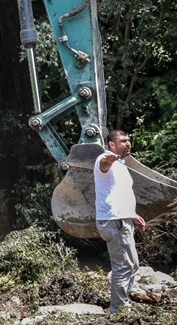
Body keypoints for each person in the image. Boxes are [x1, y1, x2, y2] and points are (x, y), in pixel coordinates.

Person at [94, 129, 146, 313]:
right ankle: (118, 309)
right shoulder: (106, 158)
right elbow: (103, 163)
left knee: (132, 264)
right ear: (111, 144)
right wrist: (111, 158)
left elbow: (118, 194)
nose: (128, 143)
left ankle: (124, 301)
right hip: (113, 221)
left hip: (122, 218)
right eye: (123, 141)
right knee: (122, 266)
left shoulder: (121, 165)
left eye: (128, 140)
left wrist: (132, 214)